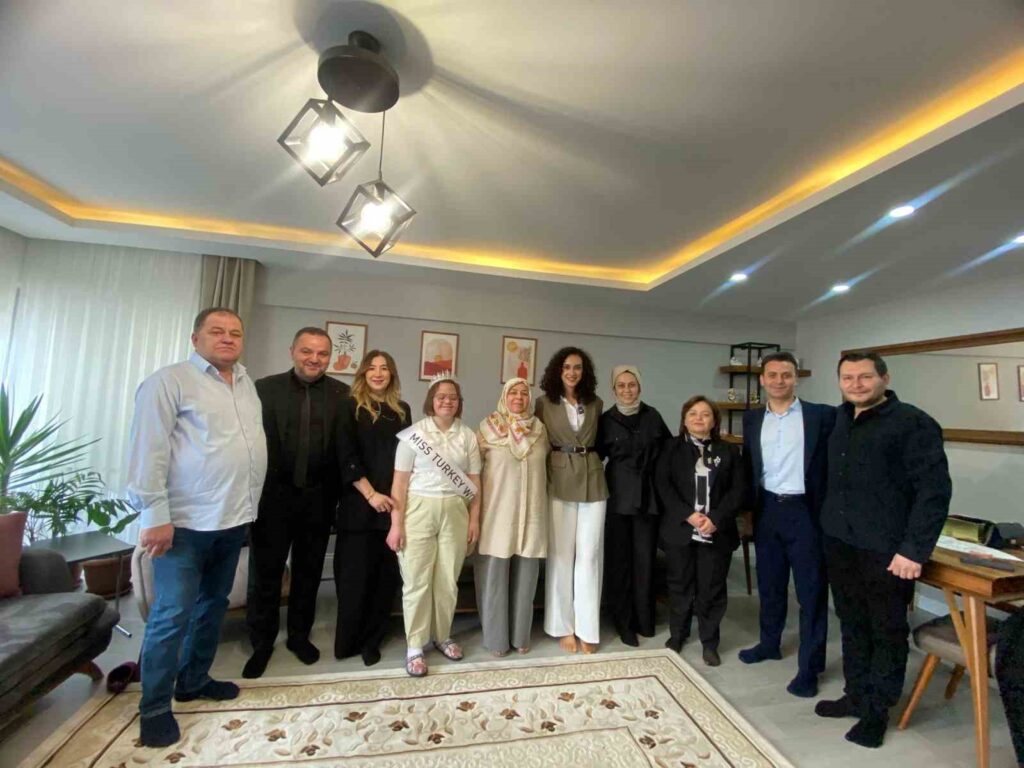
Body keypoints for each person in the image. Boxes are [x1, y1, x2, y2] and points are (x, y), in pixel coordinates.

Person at [127, 307, 267, 747]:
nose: (227, 338)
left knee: (213, 605)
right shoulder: (169, 382)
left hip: (233, 519)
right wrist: (154, 515)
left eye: (235, 333)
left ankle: (193, 680)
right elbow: (147, 451)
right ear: (195, 338)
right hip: (183, 525)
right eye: (217, 331)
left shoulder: (245, 383)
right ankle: (154, 707)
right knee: (172, 615)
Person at [816, 351, 950, 749]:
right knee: (852, 622)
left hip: (887, 551)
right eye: (847, 378)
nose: (856, 384)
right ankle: (856, 696)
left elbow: (933, 493)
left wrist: (914, 551)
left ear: (884, 379)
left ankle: (877, 712)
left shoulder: (913, 423)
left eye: (865, 377)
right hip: (841, 542)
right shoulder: (839, 419)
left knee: (887, 630)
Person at [242, 327, 350, 678]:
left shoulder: (343, 394)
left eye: (322, 354)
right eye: (307, 351)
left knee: (309, 573)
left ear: (329, 358)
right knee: (265, 574)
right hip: (271, 500)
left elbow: (345, 449)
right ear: (292, 351)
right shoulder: (264, 389)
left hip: (319, 500)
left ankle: (299, 637)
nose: (314, 359)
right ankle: (261, 643)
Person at [738, 351, 836, 698]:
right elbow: (750, 465)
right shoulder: (752, 419)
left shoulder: (821, 416)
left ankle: (810, 669)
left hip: (806, 512)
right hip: (767, 509)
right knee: (770, 585)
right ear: (762, 380)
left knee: (811, 593)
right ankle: (769, 644)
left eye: (786, 375)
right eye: (773, 375)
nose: (779, 381)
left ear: (796, 378)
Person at [387, 373, 482, 676]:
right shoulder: (414, 434)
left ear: (459, 402)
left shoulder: (467, 436)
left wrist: (474, 520)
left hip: (455, 511)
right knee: (416, 579)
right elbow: (399, 485)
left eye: (453, 397)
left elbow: (476, 483)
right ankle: (415, 645)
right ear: (431, 400)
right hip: (418, 509)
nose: (447, 401)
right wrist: (396, 525)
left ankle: (442, 635)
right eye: (441, 396)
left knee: (447, 580)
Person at [334, 350, 411, 666]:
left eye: (384, 368)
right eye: (372, 368)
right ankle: (348, 641)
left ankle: (372, 640)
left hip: (392, 505)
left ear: (392, 374)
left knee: (384, 580)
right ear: (363, 373)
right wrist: (370, 495)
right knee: (354, 578)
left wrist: (394, 502)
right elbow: (346, 455)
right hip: (359, 504)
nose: (378, 373)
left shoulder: (402, 411)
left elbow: (407, 460)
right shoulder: (349, 406)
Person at [656, 396, 745, 667]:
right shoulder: (670, 448)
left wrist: (715, 518)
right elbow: (663, 485)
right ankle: (678, 635)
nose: (698, 418)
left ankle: (710, 642)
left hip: (716, 531)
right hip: (681, 529)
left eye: (705, 414)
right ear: (684, 420)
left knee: (711, 588)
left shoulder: (729, 451)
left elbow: (738, 490)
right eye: (693, 413)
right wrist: (689, 515)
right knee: (679, 585)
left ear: (714, 421)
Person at [535, 347, 609, 654]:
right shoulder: (544, 403)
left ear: (584, 372)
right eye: (566, 367)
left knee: (590, 555)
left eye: (577, 367)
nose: (572, 372)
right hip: (559, 477)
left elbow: (601, 441)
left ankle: (587, 627)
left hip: (592, 476)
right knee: (561, 555)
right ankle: (562, 627)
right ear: (558, 370)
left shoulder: (596, 403)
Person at [475, 377, 549, 656]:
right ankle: (496, 639)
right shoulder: (487, 428)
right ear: (504, 397)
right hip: (497, 513)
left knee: (526, 575)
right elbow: (472, 472)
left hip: (531, 513)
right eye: (513, 392)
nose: (518, 397)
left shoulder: (539, 430)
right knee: (494, 576)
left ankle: (520, 636)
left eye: (524, 393)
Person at [597, 365, 670, 647]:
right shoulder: (606, 420)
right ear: (614, 390)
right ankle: (623, 622)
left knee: (645, 561)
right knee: (620, 563)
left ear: (639, 387)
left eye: (632, 385)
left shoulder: (653, 416)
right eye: (621, 385)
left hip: (648, 499)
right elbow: (595, 457)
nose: (627, 390)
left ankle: (644, 619)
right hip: (617, 498)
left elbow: (668, 454)